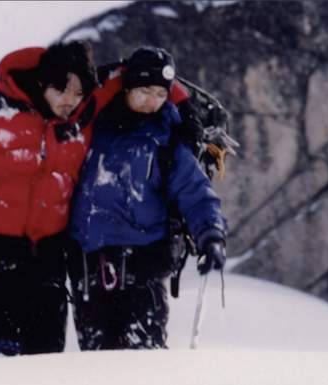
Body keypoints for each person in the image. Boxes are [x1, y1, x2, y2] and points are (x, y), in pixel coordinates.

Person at [0, 41, 100, 357]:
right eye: (62, 91)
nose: (70, 101)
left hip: (49, 251)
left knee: (46, 355)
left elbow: (137, 79)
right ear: (43, 83)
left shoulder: (82, 117)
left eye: (79, 93)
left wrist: (182, 102)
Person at [67, 46, 228, 350]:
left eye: (160, 94)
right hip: (88, 266)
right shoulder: (89, 128)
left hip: (144, 267)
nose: (151, 102)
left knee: (144, 360)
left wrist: (211, 235)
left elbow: (196, 193)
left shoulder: (168, 141)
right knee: (93, 365)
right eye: (143, 91)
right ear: (126, 87)